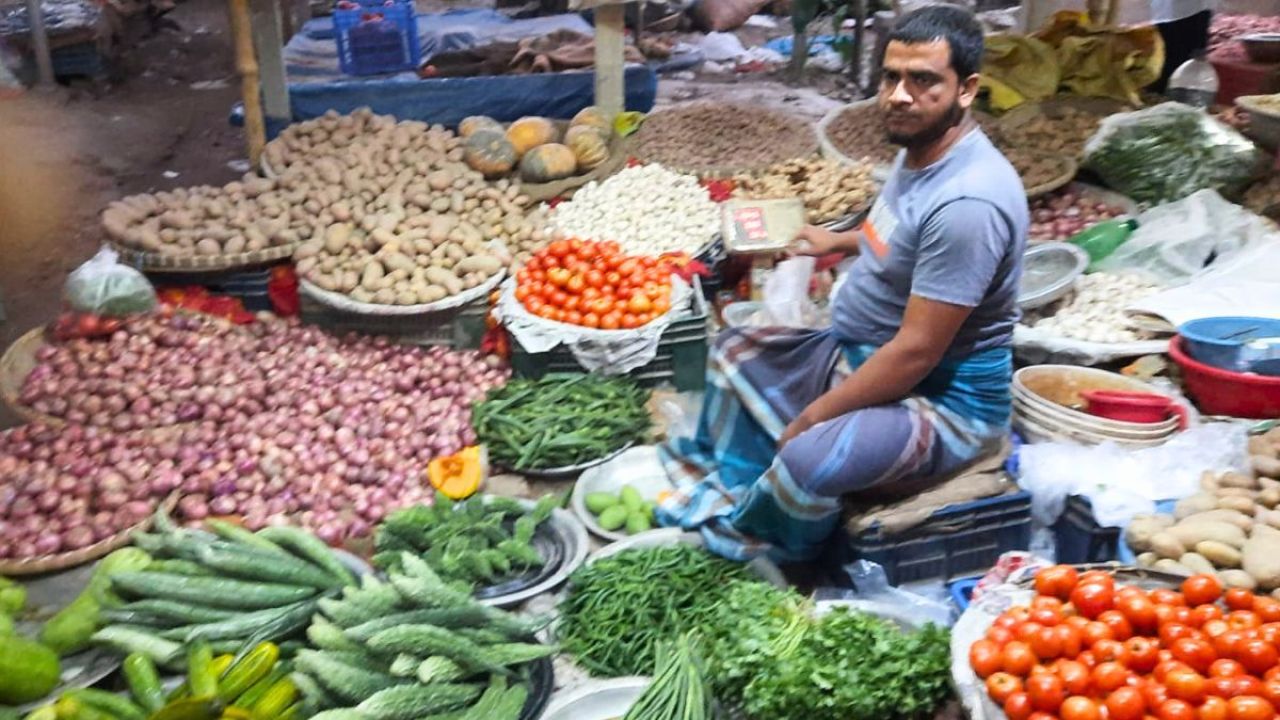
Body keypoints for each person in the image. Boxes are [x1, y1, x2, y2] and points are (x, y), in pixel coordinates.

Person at [656, 4, 1029, 563]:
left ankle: (787, 551)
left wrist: (814, 417)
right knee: (733, 351)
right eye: (891, 76)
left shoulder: (968, 204)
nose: (899, 95)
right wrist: (840, 242)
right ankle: (743, 485)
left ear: (966, 89)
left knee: (809, 458)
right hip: (858, 349)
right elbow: (902, 239)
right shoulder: (922, 148)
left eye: (923, 80)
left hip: (945, 400)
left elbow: (916, 353)